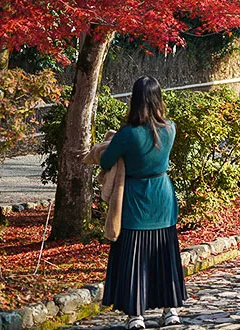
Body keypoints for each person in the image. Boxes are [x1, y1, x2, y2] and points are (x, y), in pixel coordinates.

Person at [100, 76, 185, 330]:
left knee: (134, 257)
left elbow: (105, 161)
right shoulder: (170, 128)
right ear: (159, 99)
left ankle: (136, 315)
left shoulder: (127, 134)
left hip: (135, 199)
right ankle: (170, 310)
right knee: (165, 256)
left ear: (134, 100)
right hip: (163, 196)